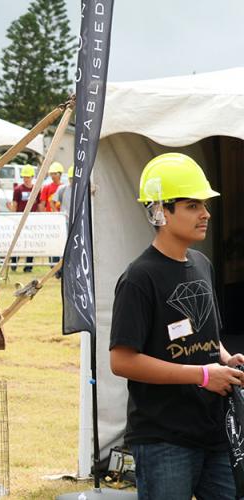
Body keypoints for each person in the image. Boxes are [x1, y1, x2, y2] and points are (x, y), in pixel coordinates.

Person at [109, 153, 244, 499]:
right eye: (192, 205)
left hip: (213, 433)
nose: (206, 214)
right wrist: (202, 376)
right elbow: (122, 361)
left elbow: (208, 339)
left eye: (204, 204)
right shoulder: (139, 278)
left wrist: (226, 360)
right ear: (160, 212)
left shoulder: (202, 263)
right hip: (163, 441)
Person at [8, 164, 39, 272]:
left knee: (31, 242)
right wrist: (13, 216)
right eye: (24, 177)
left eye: (28, 177)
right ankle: (14, 263)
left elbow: (39, 205)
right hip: (20, 218)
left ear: (32, 177)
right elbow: (15, 204)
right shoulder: (18, 189)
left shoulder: (36, 189)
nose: (26, 179)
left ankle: (28, 266)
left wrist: (41, 217)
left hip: (33, 219)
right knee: (17, 241)